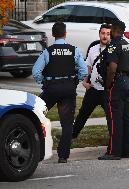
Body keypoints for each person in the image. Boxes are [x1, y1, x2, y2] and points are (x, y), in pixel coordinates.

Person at [32, 22, 88, 163]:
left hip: (51, 88)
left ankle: (34, 148)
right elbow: (84, 71)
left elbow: (36, 71)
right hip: (68, 89)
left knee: (35, 115)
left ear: (53, 34)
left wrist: (43, 81)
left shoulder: (47, 51)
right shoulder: (74, 50)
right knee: (67, 124)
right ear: (65, 34)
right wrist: (76, 81)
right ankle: (63, 156)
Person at [98, 20, 129, 160]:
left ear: (113, 30)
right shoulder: (128, 45)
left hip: (117, 83)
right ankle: (127, 150)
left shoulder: (114, 45)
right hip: (126, 81)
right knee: (125, 117)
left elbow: (112, 67)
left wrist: (108, 84)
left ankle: (114, 151)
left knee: (115, 118)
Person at [72, 24, 111, 139]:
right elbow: (88, 67)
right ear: (99, 34)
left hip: (106, 91)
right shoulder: (93, 48)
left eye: (108, 34)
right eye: (103, 33)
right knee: (83, 113)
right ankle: (73, 135)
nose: (105, 36)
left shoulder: (113, 49)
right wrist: (84, 82)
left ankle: (114, 138)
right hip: (93, 89)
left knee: (110, 116)